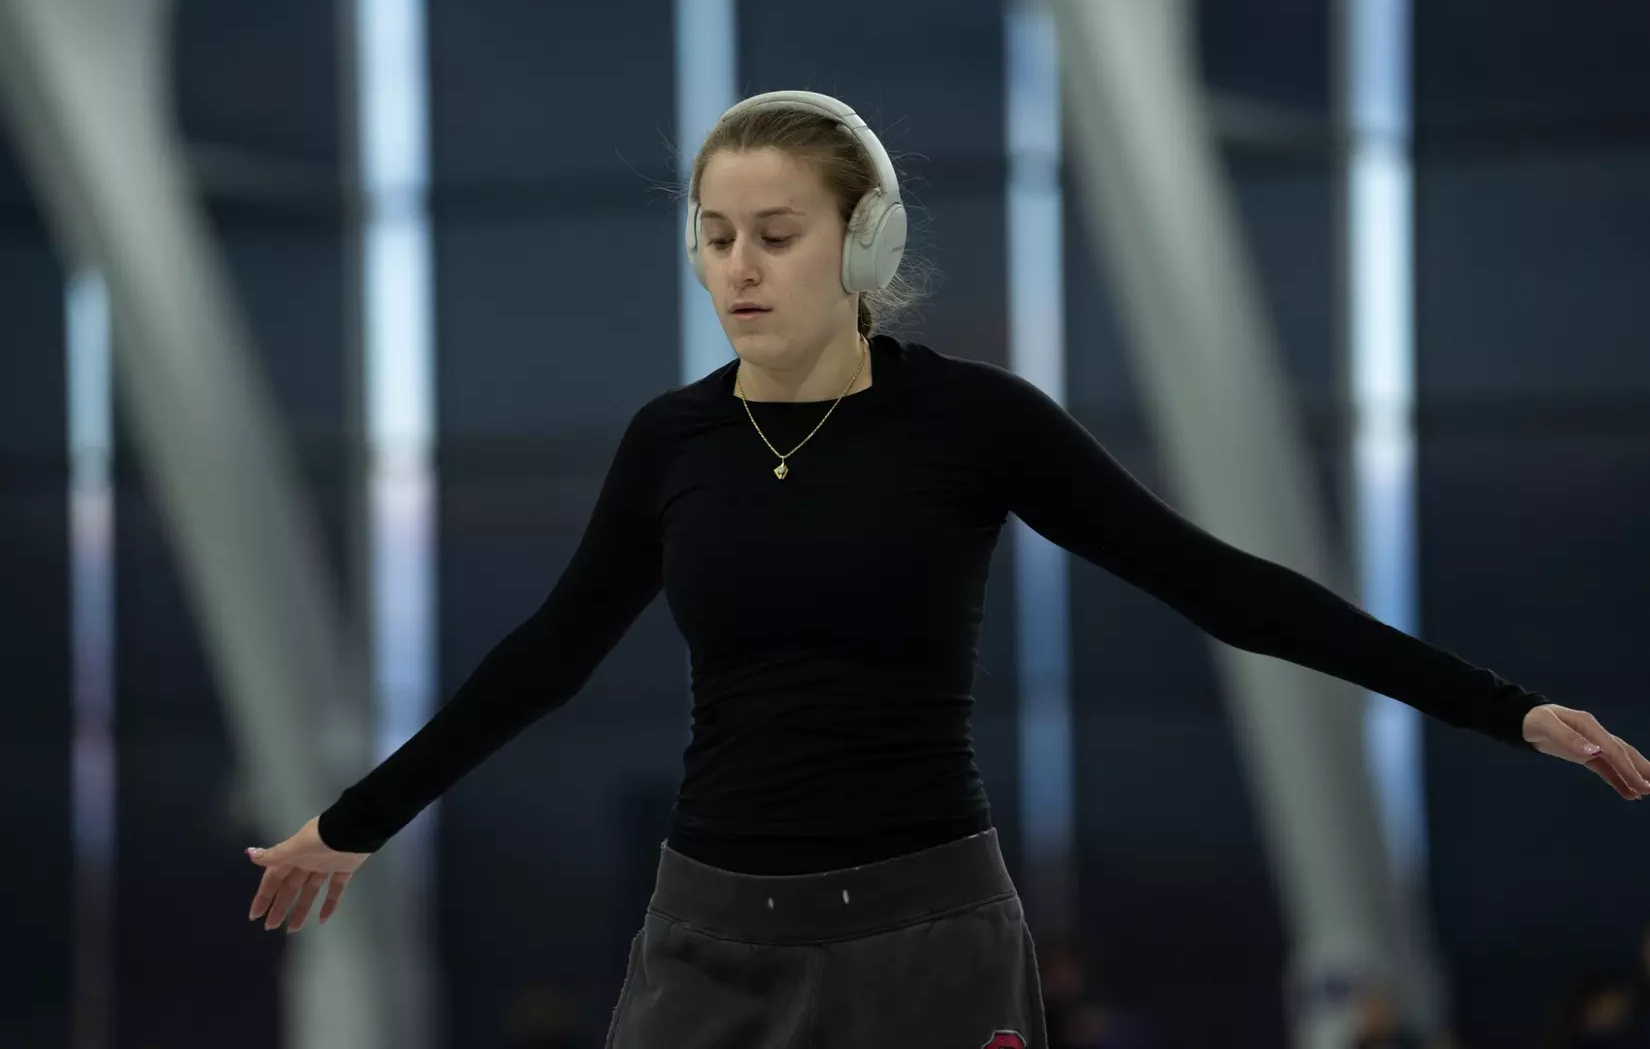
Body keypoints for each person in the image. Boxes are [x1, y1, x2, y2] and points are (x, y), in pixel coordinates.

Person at [243, 90, 1650, 1048]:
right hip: (704, 936)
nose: (737, 267)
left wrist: (1501, 705)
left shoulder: (972, 423)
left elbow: (1217, 583)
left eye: (775, 236)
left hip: (923, 938)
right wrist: (354, 823)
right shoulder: (668, 441)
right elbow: (546, 656)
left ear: (864, 242)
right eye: (713, 236)